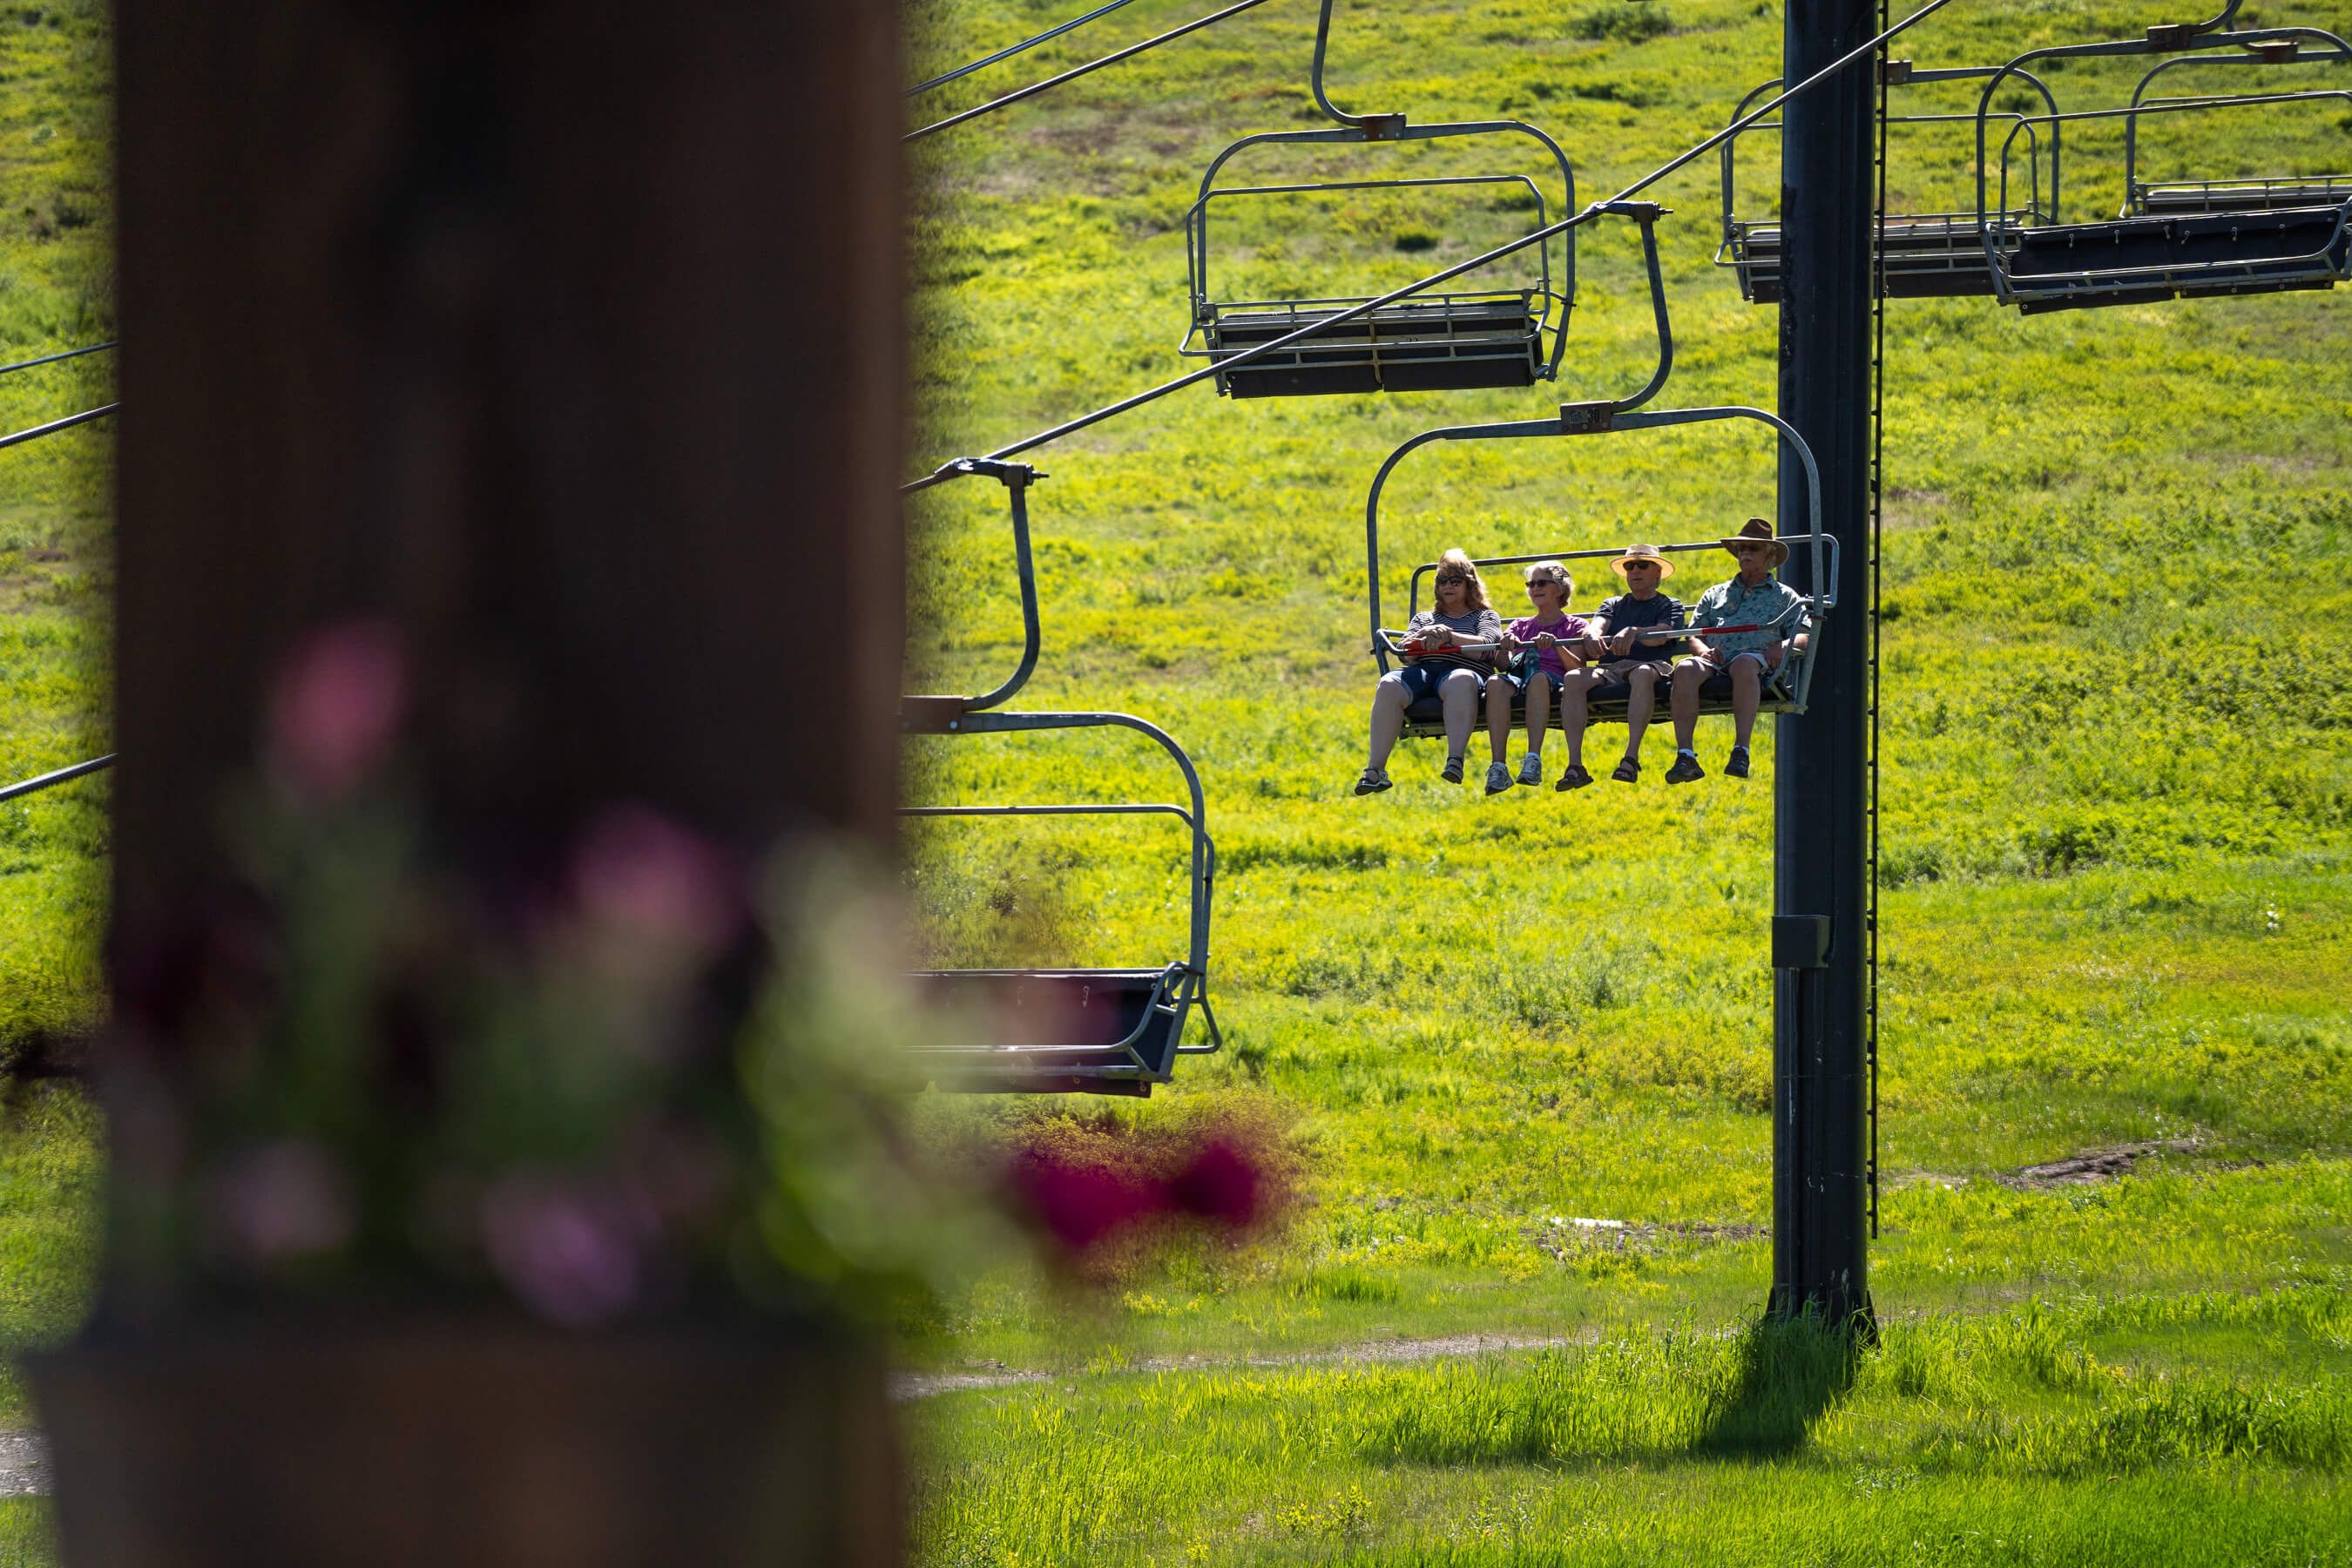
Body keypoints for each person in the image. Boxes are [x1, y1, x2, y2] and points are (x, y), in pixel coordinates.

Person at [1666, 517, 1811, 783]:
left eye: (1752, 548)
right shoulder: (1716, 593)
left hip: (1755, 658)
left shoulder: (1784, 596)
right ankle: (1685, 754)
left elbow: (1803, 634)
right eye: (1741, 548)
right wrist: (1701, 652)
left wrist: (1782, 646)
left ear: (1769, 556)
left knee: (1744, 664)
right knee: (1685, 667)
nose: (1744, 552)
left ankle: (1741, 750)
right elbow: (1695, 633)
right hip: (1714, 660)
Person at [1356, 549, 1503, 794]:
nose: (1448, 586)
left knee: (1461, 680)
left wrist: (1449, 637)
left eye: (1455, 581)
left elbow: (1487, 647)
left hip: (1463, 669)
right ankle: (1375, 770)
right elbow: (1406, 652)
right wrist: (1423, 637)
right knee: (1388, 684)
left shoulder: (1484, 616)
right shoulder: (1424, 619)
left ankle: (1455, 759)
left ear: (1469, 585)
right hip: (1424, 671)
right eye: (1442, 581)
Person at [1559, 543, 1685, 788]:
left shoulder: (1669, 605)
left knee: (1642, 674)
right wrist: (1592, 635)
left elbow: (1665, 634)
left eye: (1642, 565)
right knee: (1573, 678)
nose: (1635, 570)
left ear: (1657, 572)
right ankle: (1575, 763)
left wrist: (1635, 632)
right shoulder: (1613, 604)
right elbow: (1597, 625)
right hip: (1612, 669)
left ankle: (1631, 756)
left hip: (1652, 664)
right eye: (1630, 566)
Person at [1484, 560, 1593, 794]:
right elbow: (1503, 665)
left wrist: (1556, 648)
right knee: (1494, 682)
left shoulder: (1575, 625)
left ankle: (1533, 758)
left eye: (1542, 582)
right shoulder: (1520, 626)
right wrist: (1503, 648)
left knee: (1539, 679)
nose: (1535, 588)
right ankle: (1498, 765)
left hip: (1553, 680)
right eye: (1531, 584)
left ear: (1560, 588)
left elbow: (1577, 667)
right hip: (1520, 679)